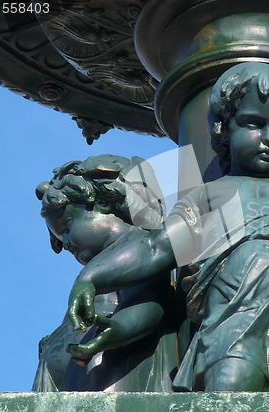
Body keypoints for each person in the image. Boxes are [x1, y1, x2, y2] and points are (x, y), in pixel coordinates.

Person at [66, 62, 269, 392]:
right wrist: (91, 278)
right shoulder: (213, 197)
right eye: (255, 123)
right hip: (232, 319)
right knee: (229, 385)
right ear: (221, 126)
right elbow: (157, 249)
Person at [33, 154, 177, 391]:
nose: (66, 243)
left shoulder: (137, 249)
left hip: (112, 373)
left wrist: (118, 329)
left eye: (67, 226)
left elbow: (147, 304)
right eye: (60, 238)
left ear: (103, 202)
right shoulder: (100, 267)